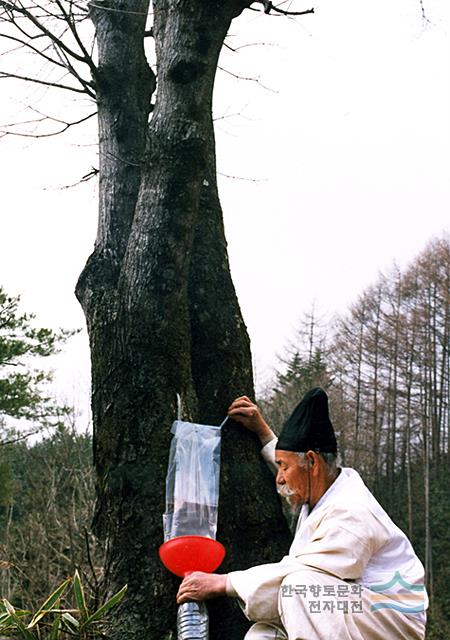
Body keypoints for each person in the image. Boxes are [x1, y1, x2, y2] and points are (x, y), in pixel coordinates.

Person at [176, 388, 428, 640]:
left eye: (283, 467)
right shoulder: (322, 487)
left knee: (298, 588)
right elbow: (293, 467)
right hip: (353, 607)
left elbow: (301, 573)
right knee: (263, 634)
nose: (280, 477)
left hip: (393, 620)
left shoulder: (352, 513)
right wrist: (262, 431)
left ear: (313, 462)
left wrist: (222, 583)